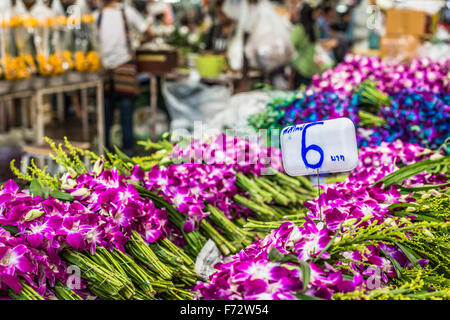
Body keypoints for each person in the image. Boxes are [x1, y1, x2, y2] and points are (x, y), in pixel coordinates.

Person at [94, 0, 152, 156]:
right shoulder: (128, 12)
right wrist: (138, 42)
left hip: (105, 73)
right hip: (124, 70)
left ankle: (104, 153)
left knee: (105, 118)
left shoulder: (96, 16)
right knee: (127, 117)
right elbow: (149, 31)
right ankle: (128, 154)